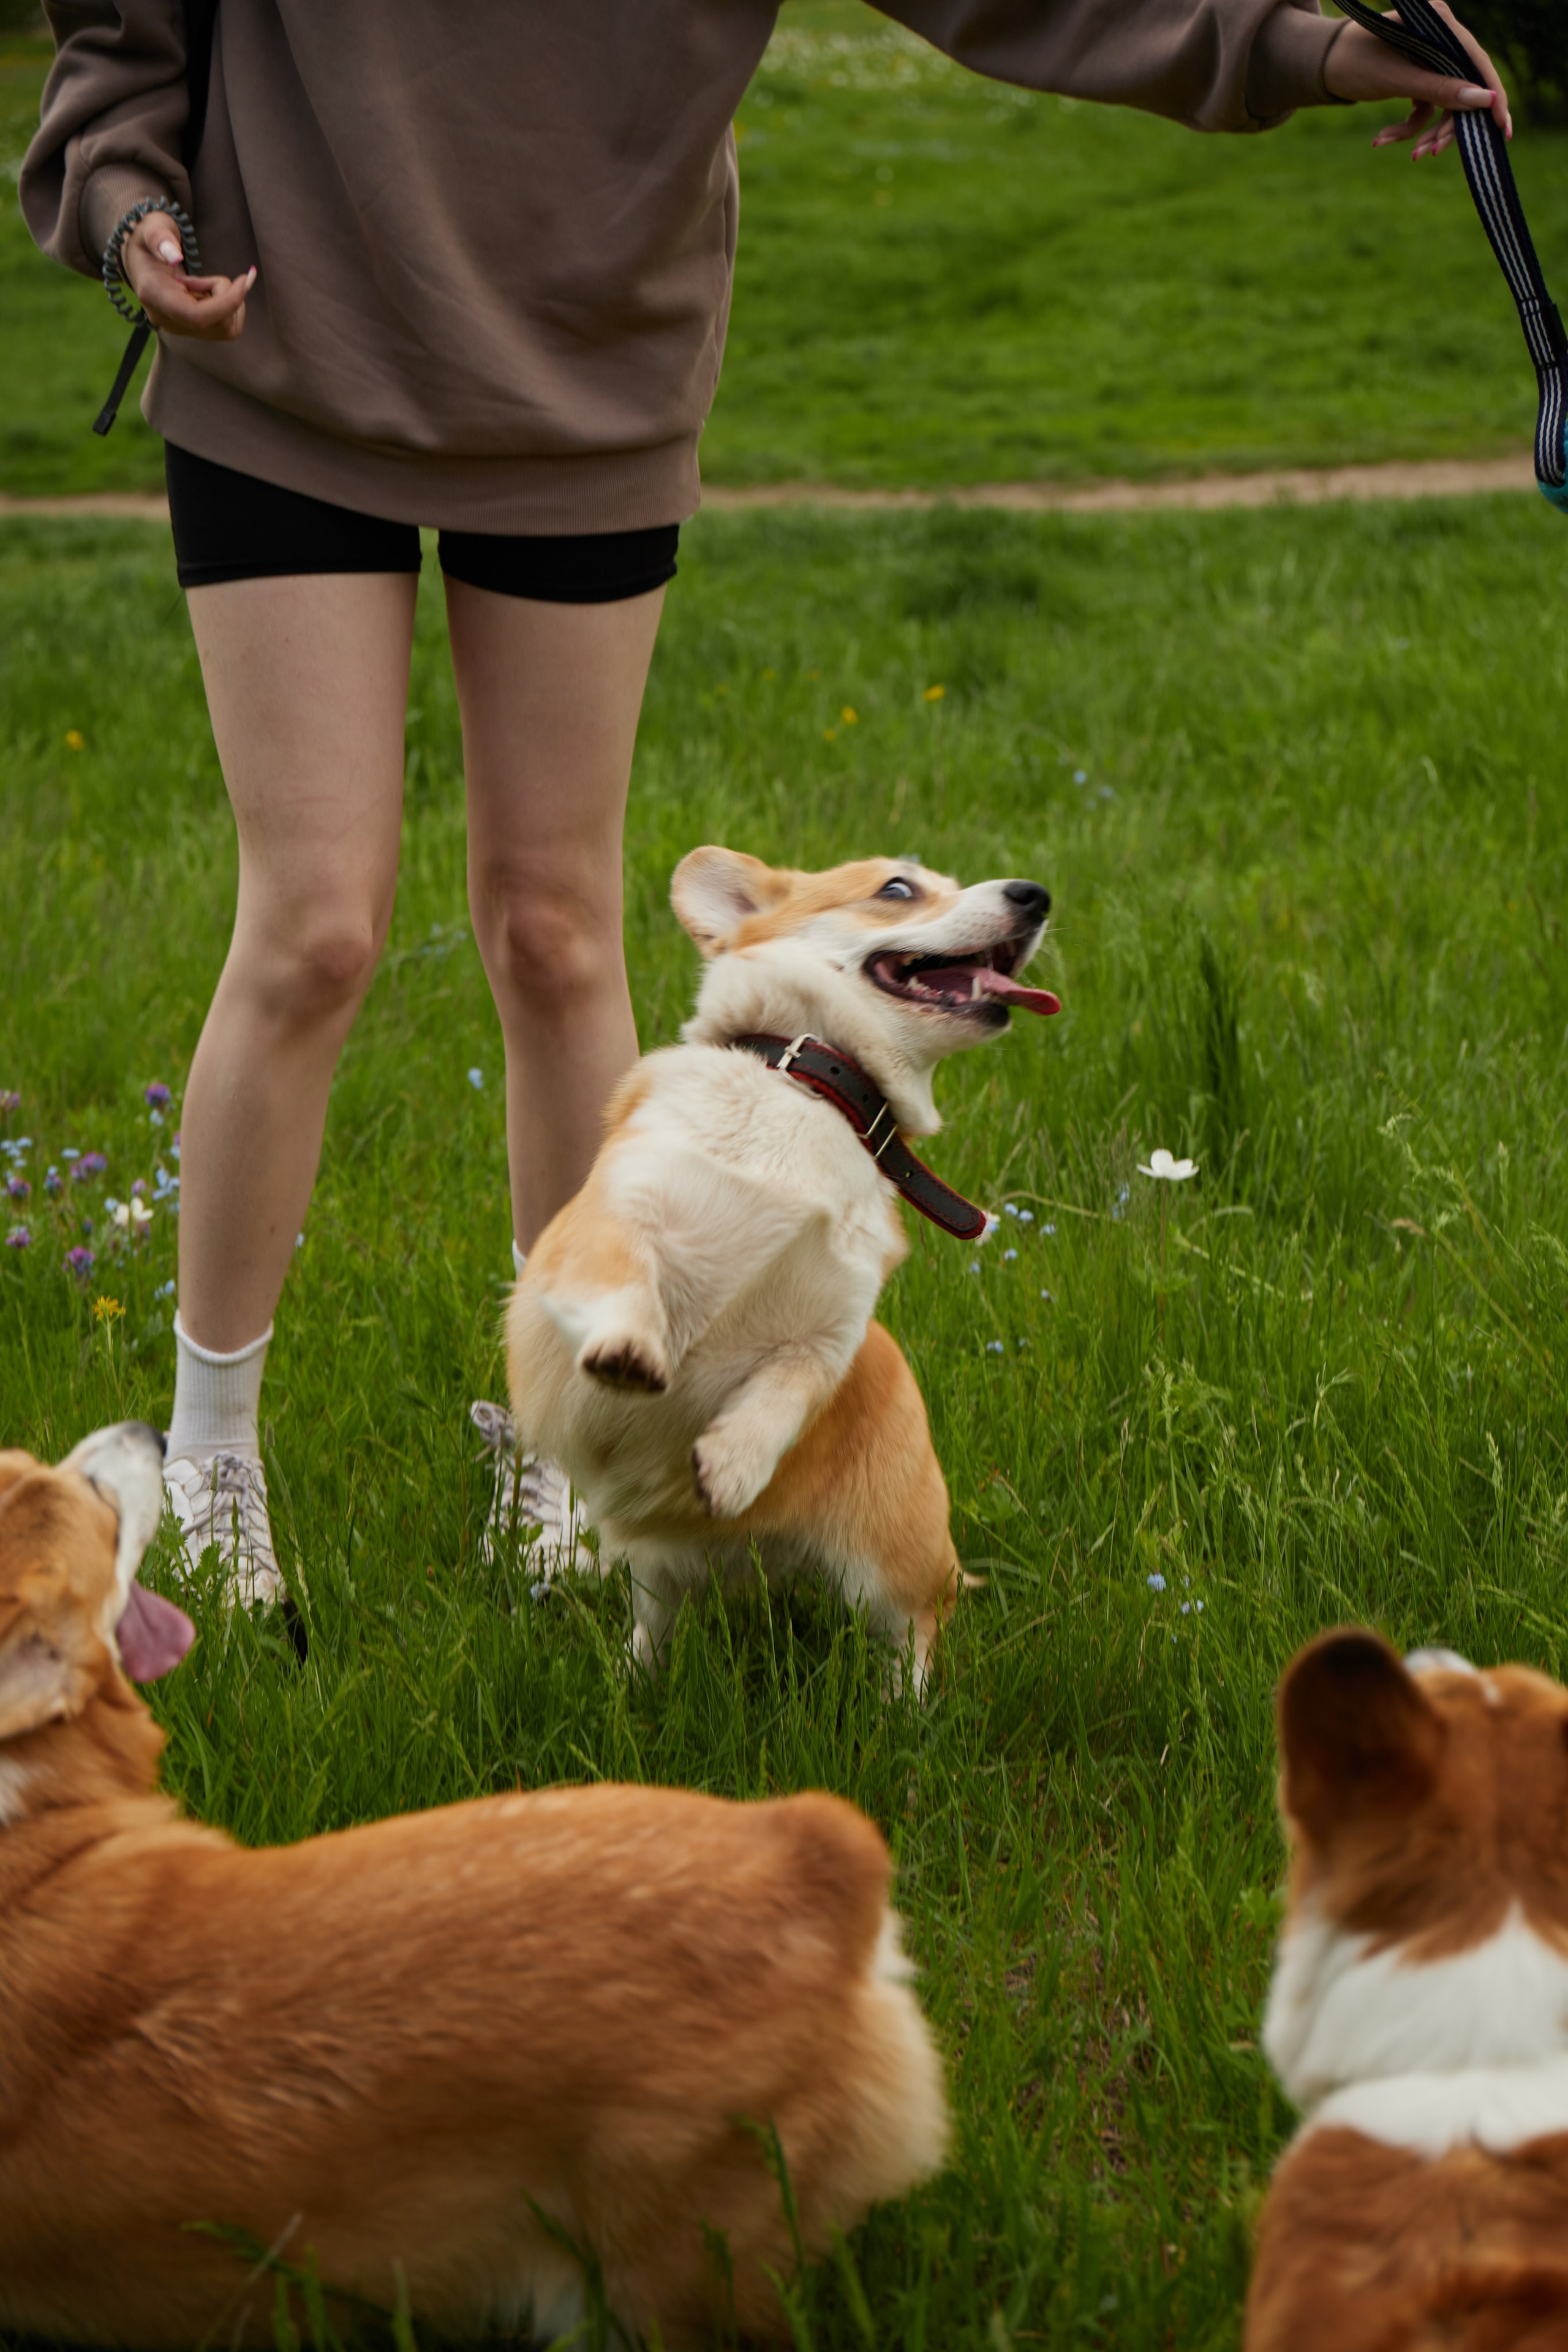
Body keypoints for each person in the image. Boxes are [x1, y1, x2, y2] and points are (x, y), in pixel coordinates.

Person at [21, 0, 1509, 1608]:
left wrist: (1313, 45)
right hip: (280, 362)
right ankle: (213, 1450)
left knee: (555, 924)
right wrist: (132, 218)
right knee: (314, 928)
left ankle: (560, 1444)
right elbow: (127, 51)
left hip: (584, 378)